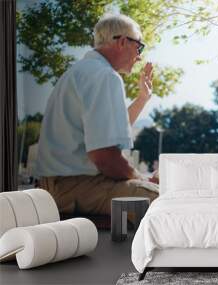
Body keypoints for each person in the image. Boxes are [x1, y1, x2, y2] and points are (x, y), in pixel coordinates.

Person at [36, 14, 158, 218]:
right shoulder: (105, 76)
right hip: (76, 187)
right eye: (139, 47)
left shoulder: (83, 71)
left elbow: (106, 130)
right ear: (122, 42)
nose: (139, 56)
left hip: (55, 186)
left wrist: (142, 99)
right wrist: (139, 179)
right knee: (169, 203)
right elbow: (105, 157)